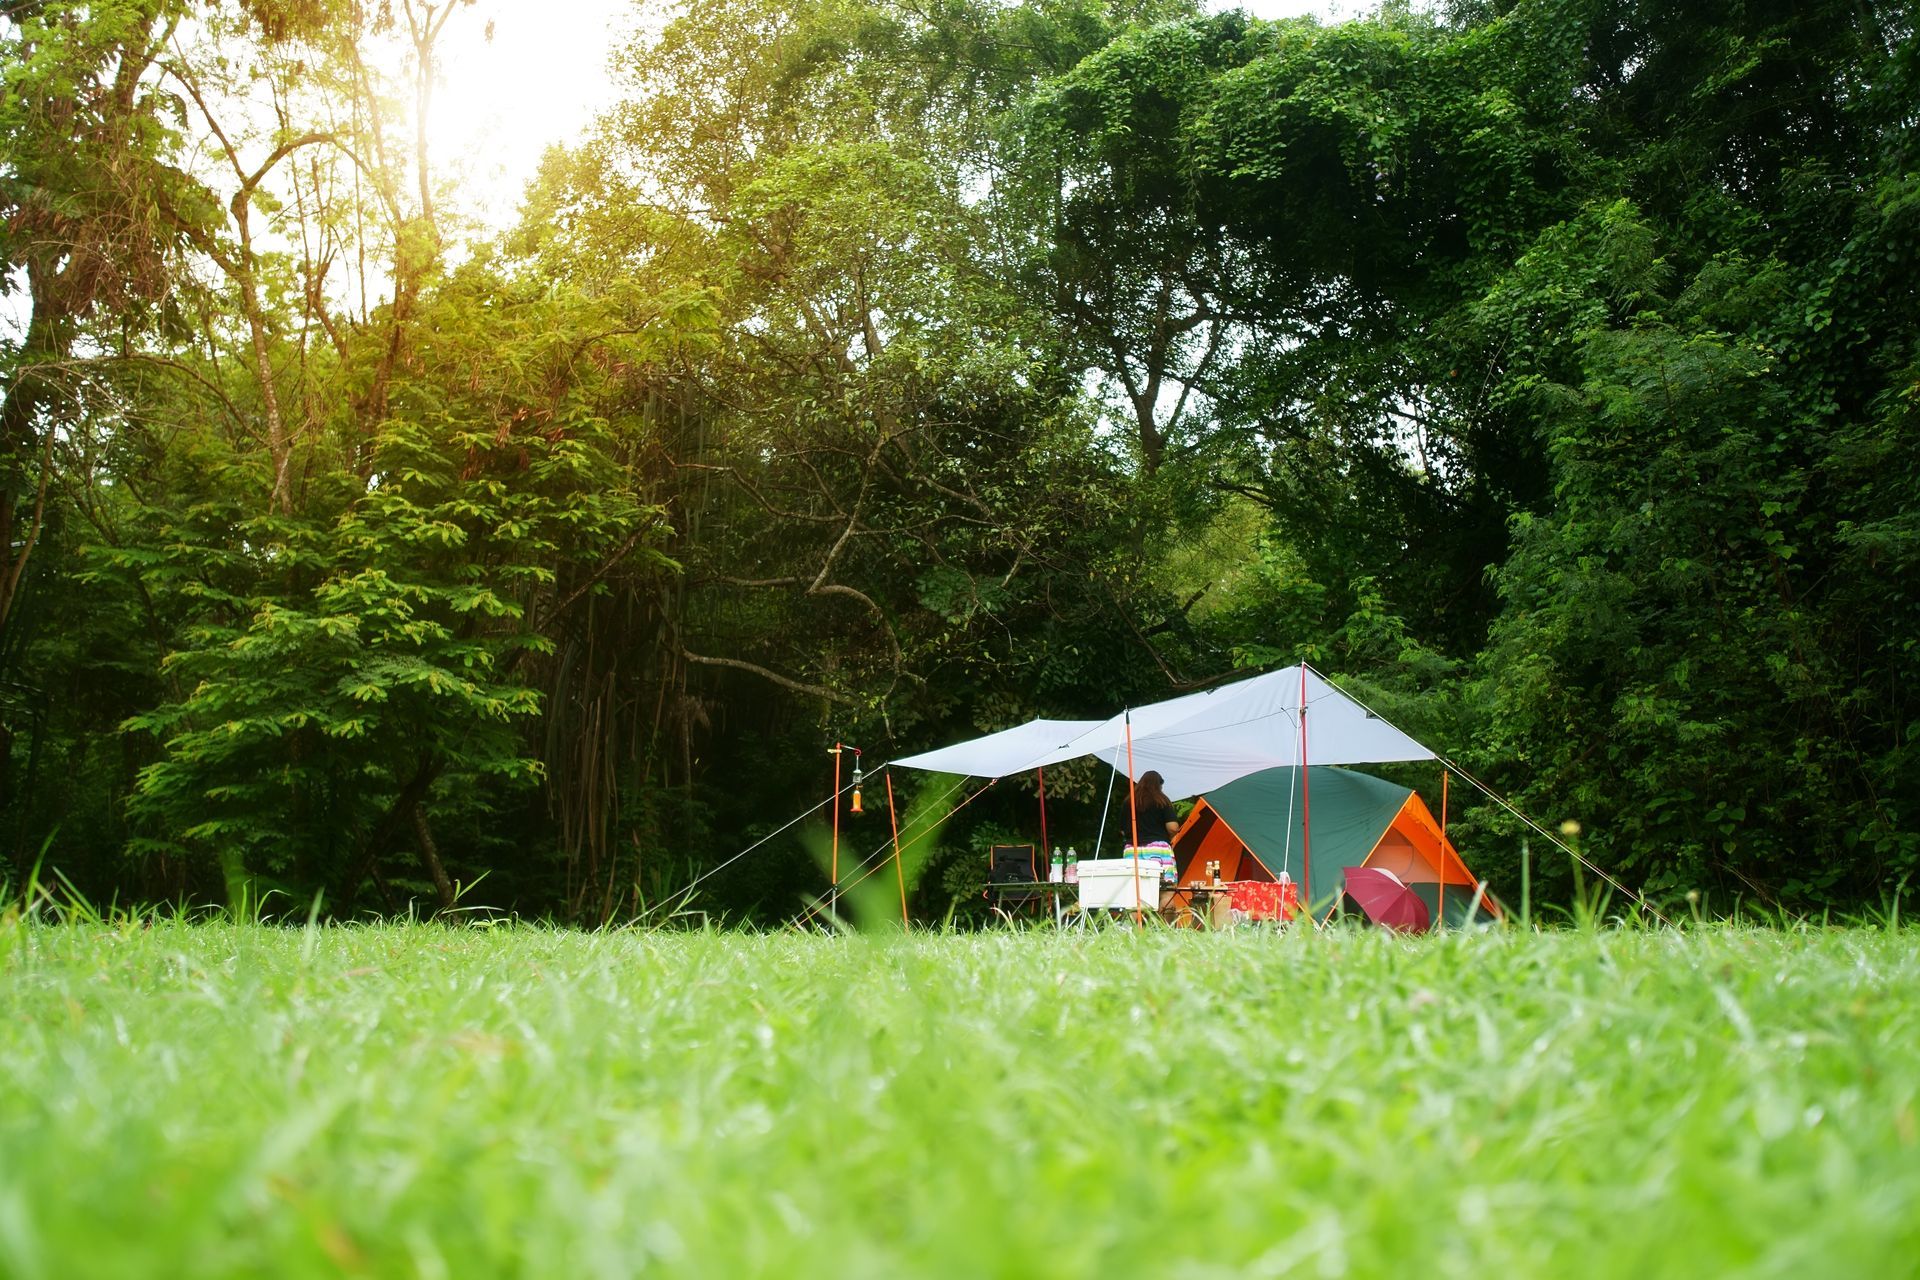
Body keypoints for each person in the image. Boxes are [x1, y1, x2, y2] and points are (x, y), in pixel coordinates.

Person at [1128, 770, 1180, 846]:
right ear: (1158, 785)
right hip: (1157, 847)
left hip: (1132, 848)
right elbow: (1172, 828)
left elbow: (1123, 830)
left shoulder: (1129, 801)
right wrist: (1171, 839)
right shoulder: (1162, 801)